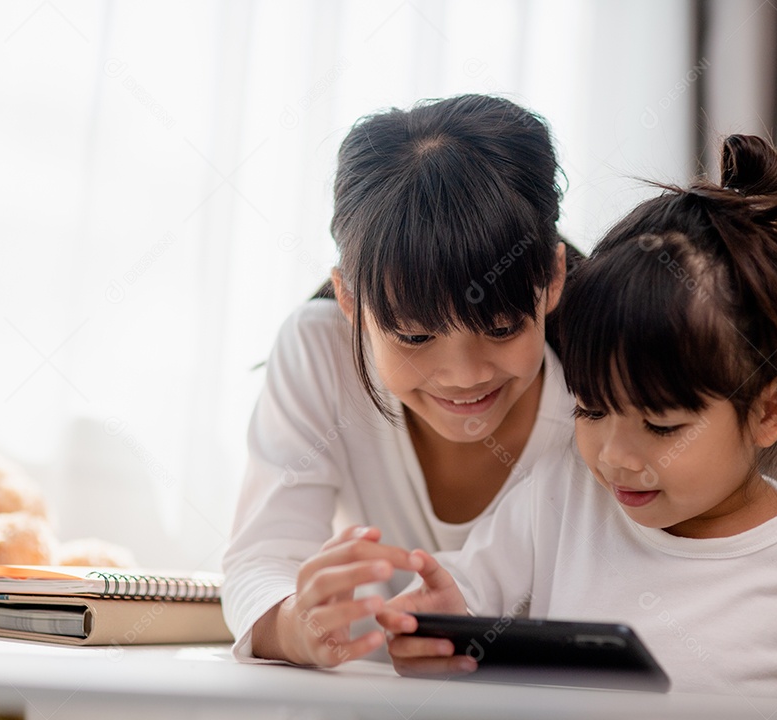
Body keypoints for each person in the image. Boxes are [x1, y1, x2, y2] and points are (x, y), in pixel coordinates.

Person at [377, 135, 777, 703]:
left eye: (662, 426)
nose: (613, 456)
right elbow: (467, 591)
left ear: (772, 407)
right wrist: (441, 623)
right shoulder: (566, 493)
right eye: (591, 409)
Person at [221, 94, 579, 666]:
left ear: (553, 278)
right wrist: (294, 626)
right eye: (414, 338)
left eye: (504, 327)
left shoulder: (604, 389)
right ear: (348, 298)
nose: (464, 375)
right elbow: (262, 557)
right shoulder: (320, 351)